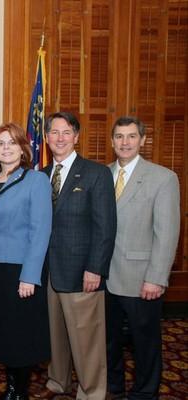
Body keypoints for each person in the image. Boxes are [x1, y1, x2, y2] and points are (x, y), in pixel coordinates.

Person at [41, 111, 117, 400]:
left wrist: (95, 268)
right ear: (46, 138)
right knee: (56, 335)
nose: (60, 138)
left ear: (76, 136)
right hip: (48, 271)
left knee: (87, 338)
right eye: (54, 133)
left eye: (66, 132)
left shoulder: (96, 174)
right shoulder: (40, 176)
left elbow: (105, 226)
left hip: (82, 272)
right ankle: (58, 382)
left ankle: (92, 391)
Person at [0, 123, 52, 400]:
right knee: (3, 330)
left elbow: (40, 231)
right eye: (0, 143)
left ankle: (19, 392)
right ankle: (10, 385)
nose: (6, 148)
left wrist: (30, 276)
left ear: (23, 147)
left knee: (20, 334)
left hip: (21, 270)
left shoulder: (36, 180)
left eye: (11, 142)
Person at [106, 116, 180, 400]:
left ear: (143, 140)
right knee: (109, 340)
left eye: (132, 136)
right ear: (112, 141)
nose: (125, 142)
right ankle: (113, 386)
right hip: (105, 276)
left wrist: (156, 278)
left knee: (144, 342)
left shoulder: (163, 178)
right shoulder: (103, 174)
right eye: (120, 137)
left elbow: (167, 233)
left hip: (141, 279)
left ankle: (145, 392)